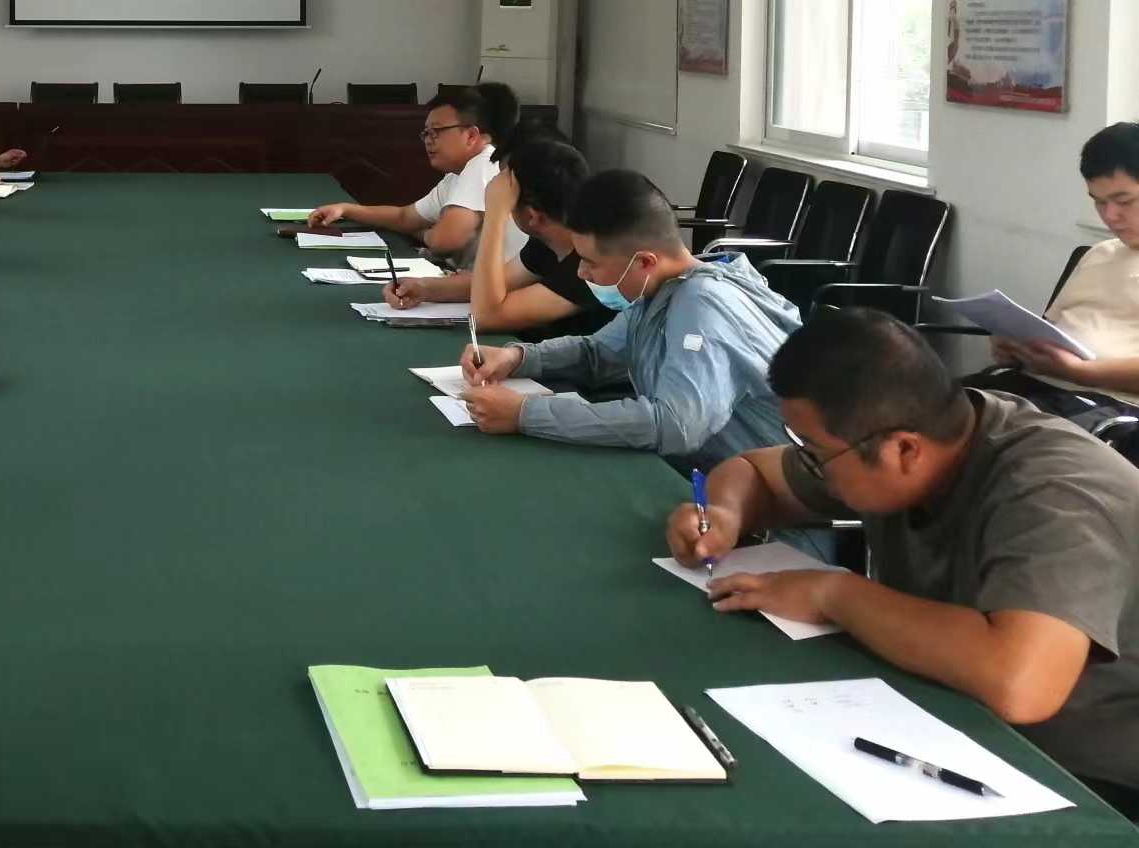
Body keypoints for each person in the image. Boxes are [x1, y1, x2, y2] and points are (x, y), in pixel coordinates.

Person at [665, 309, 1139, 814]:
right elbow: (751, 472)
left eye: (817, 454)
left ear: (905, 450)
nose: (810, 467)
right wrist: (724, 513)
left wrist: (834, 594)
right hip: (948, 722)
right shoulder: (921, 437)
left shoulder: (1056, 496)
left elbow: (1021, 684)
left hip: (1089, 782)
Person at [463, 169, 799, 470]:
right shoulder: (662, 289)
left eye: (591, 262)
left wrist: (524, 413)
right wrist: (517, 358)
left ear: (645, 262)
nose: (581, 273)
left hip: (763, 502)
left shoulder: (704, 305)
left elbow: (674, 425)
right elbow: (598, 354)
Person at [979, 122, 1139, 421]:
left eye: (1124, 201)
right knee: (912, 405)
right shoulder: (1099, 254)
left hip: (1109, 407)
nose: (1110, 216)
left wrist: (1080, 372)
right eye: (1099, 202)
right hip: (1033, 386)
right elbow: (1050, 331)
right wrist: (1019, 348)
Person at [384, 137, 612, 338]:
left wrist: (495, 213)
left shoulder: (590, 265)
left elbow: (486, 317)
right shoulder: (550, 241)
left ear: (533, 216)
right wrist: (424, 288)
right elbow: (495, 284)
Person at [306, 84, 524, 263]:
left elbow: (444, 242)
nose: (428, 140)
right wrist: (345, 209)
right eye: (426, 133)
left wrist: (426, 232)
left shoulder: (484, 164)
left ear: (471, 135)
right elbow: (405, 218)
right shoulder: (455, 176)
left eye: (436, 131)